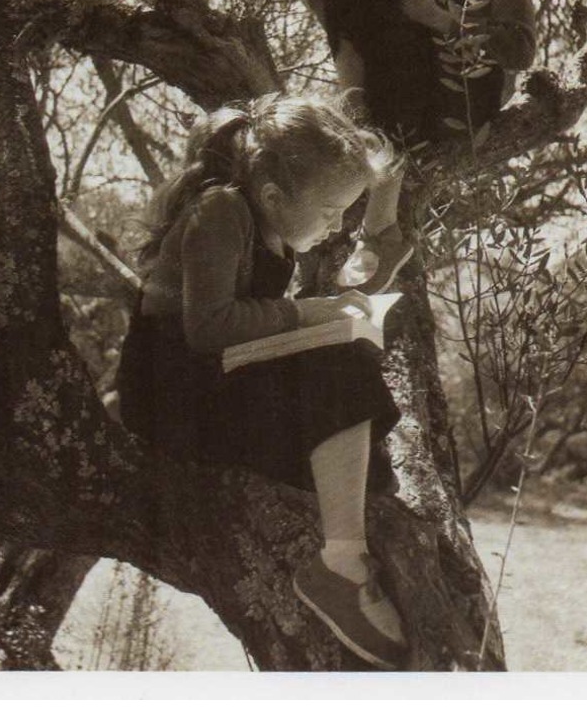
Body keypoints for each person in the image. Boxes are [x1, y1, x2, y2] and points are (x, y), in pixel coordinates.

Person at [114, 92, 409, 670]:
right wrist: (307, 315)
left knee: (347, 384)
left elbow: (253, 329)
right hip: (170, 395)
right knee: (340, 371)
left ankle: (350, 539)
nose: (334, 229)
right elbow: (208, 327)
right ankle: (340, 567)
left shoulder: (272, 226)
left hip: (210, 383)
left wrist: (341, 304)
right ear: (275, 194)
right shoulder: (221, 211)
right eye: (329, 214)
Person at [327, 0, 537, 296]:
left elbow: (520, 49)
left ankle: (381, 227)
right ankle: (355, 117)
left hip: (463, 93)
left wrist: (439, 19)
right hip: (403, 87)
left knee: (398, 43)